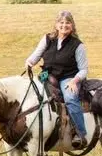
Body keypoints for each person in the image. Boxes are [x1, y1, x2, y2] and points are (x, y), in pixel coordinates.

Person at [25, 10, 89, 148]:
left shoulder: (78, 45)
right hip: (47, 74)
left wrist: (74, 81)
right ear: (56, 24)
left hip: (69, 77)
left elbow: (84, 69)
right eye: (61, 22)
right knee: (30, 89)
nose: (64, 25)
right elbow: (37, 55)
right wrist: (30, 62)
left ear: (72, 26)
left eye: (67, 23)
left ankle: (79, 133)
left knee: (71, 98)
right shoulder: (47, 39)